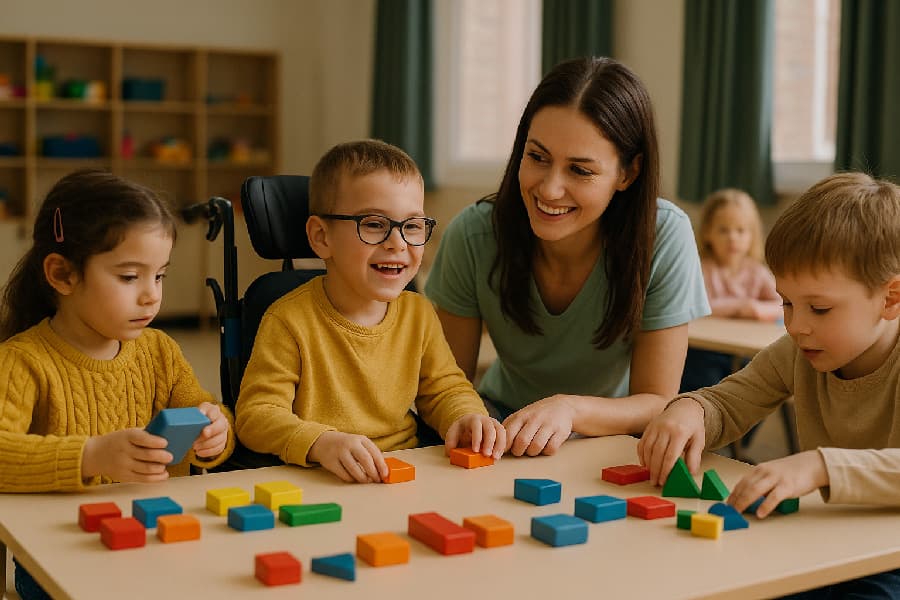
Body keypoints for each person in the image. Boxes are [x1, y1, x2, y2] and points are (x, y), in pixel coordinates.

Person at [424, 57, 710, 457]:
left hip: (607, 440)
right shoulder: (472, 236)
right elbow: (445, 385)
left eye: (580, 170)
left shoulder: (664, 236)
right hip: (499, 428)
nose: (549, 189)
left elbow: (657, 401)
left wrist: (570, 410)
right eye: (537, 157)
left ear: (628, 174)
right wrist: (469, 419)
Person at [638, 172, 900, 597]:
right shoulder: (798, 351)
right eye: (787, 303)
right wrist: (691, 410)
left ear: (890, 298)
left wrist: (819, 467)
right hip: (821, 542)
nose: (796, 326)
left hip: (890, 557)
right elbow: (730, 401)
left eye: (819, 308)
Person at [0, 169, 234, 600]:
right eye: (129, 277)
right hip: (63, 554)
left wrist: (215, 432)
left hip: (156, 541)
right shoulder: (23, 361)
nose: (151, 295)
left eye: (159, 276)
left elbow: (203, 412)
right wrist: (91, 456)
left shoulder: (159, 351)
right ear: (62, 275)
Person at [235, 140, 505, 483]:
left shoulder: (418, 314)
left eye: (412, 226)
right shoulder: (288, 320)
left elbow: (445, 390)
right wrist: (319, 442)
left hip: (404, 469)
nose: (398, 243)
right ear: (322, 237)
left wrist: (466, 416)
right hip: (319, 476)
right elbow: (256, 416)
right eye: (375, 224)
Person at [680, 188, 781, 393]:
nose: (733, 238)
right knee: (706, 384)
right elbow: (699, 306)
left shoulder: (757, 272)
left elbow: (783, 304)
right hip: (705, 351)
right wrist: (740, 306)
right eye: (723, 230)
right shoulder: (702, 269)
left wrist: (756, 309)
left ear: (752, 235)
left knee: (756, 384)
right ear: (707, 233)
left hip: (745, 351)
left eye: (741, 230)